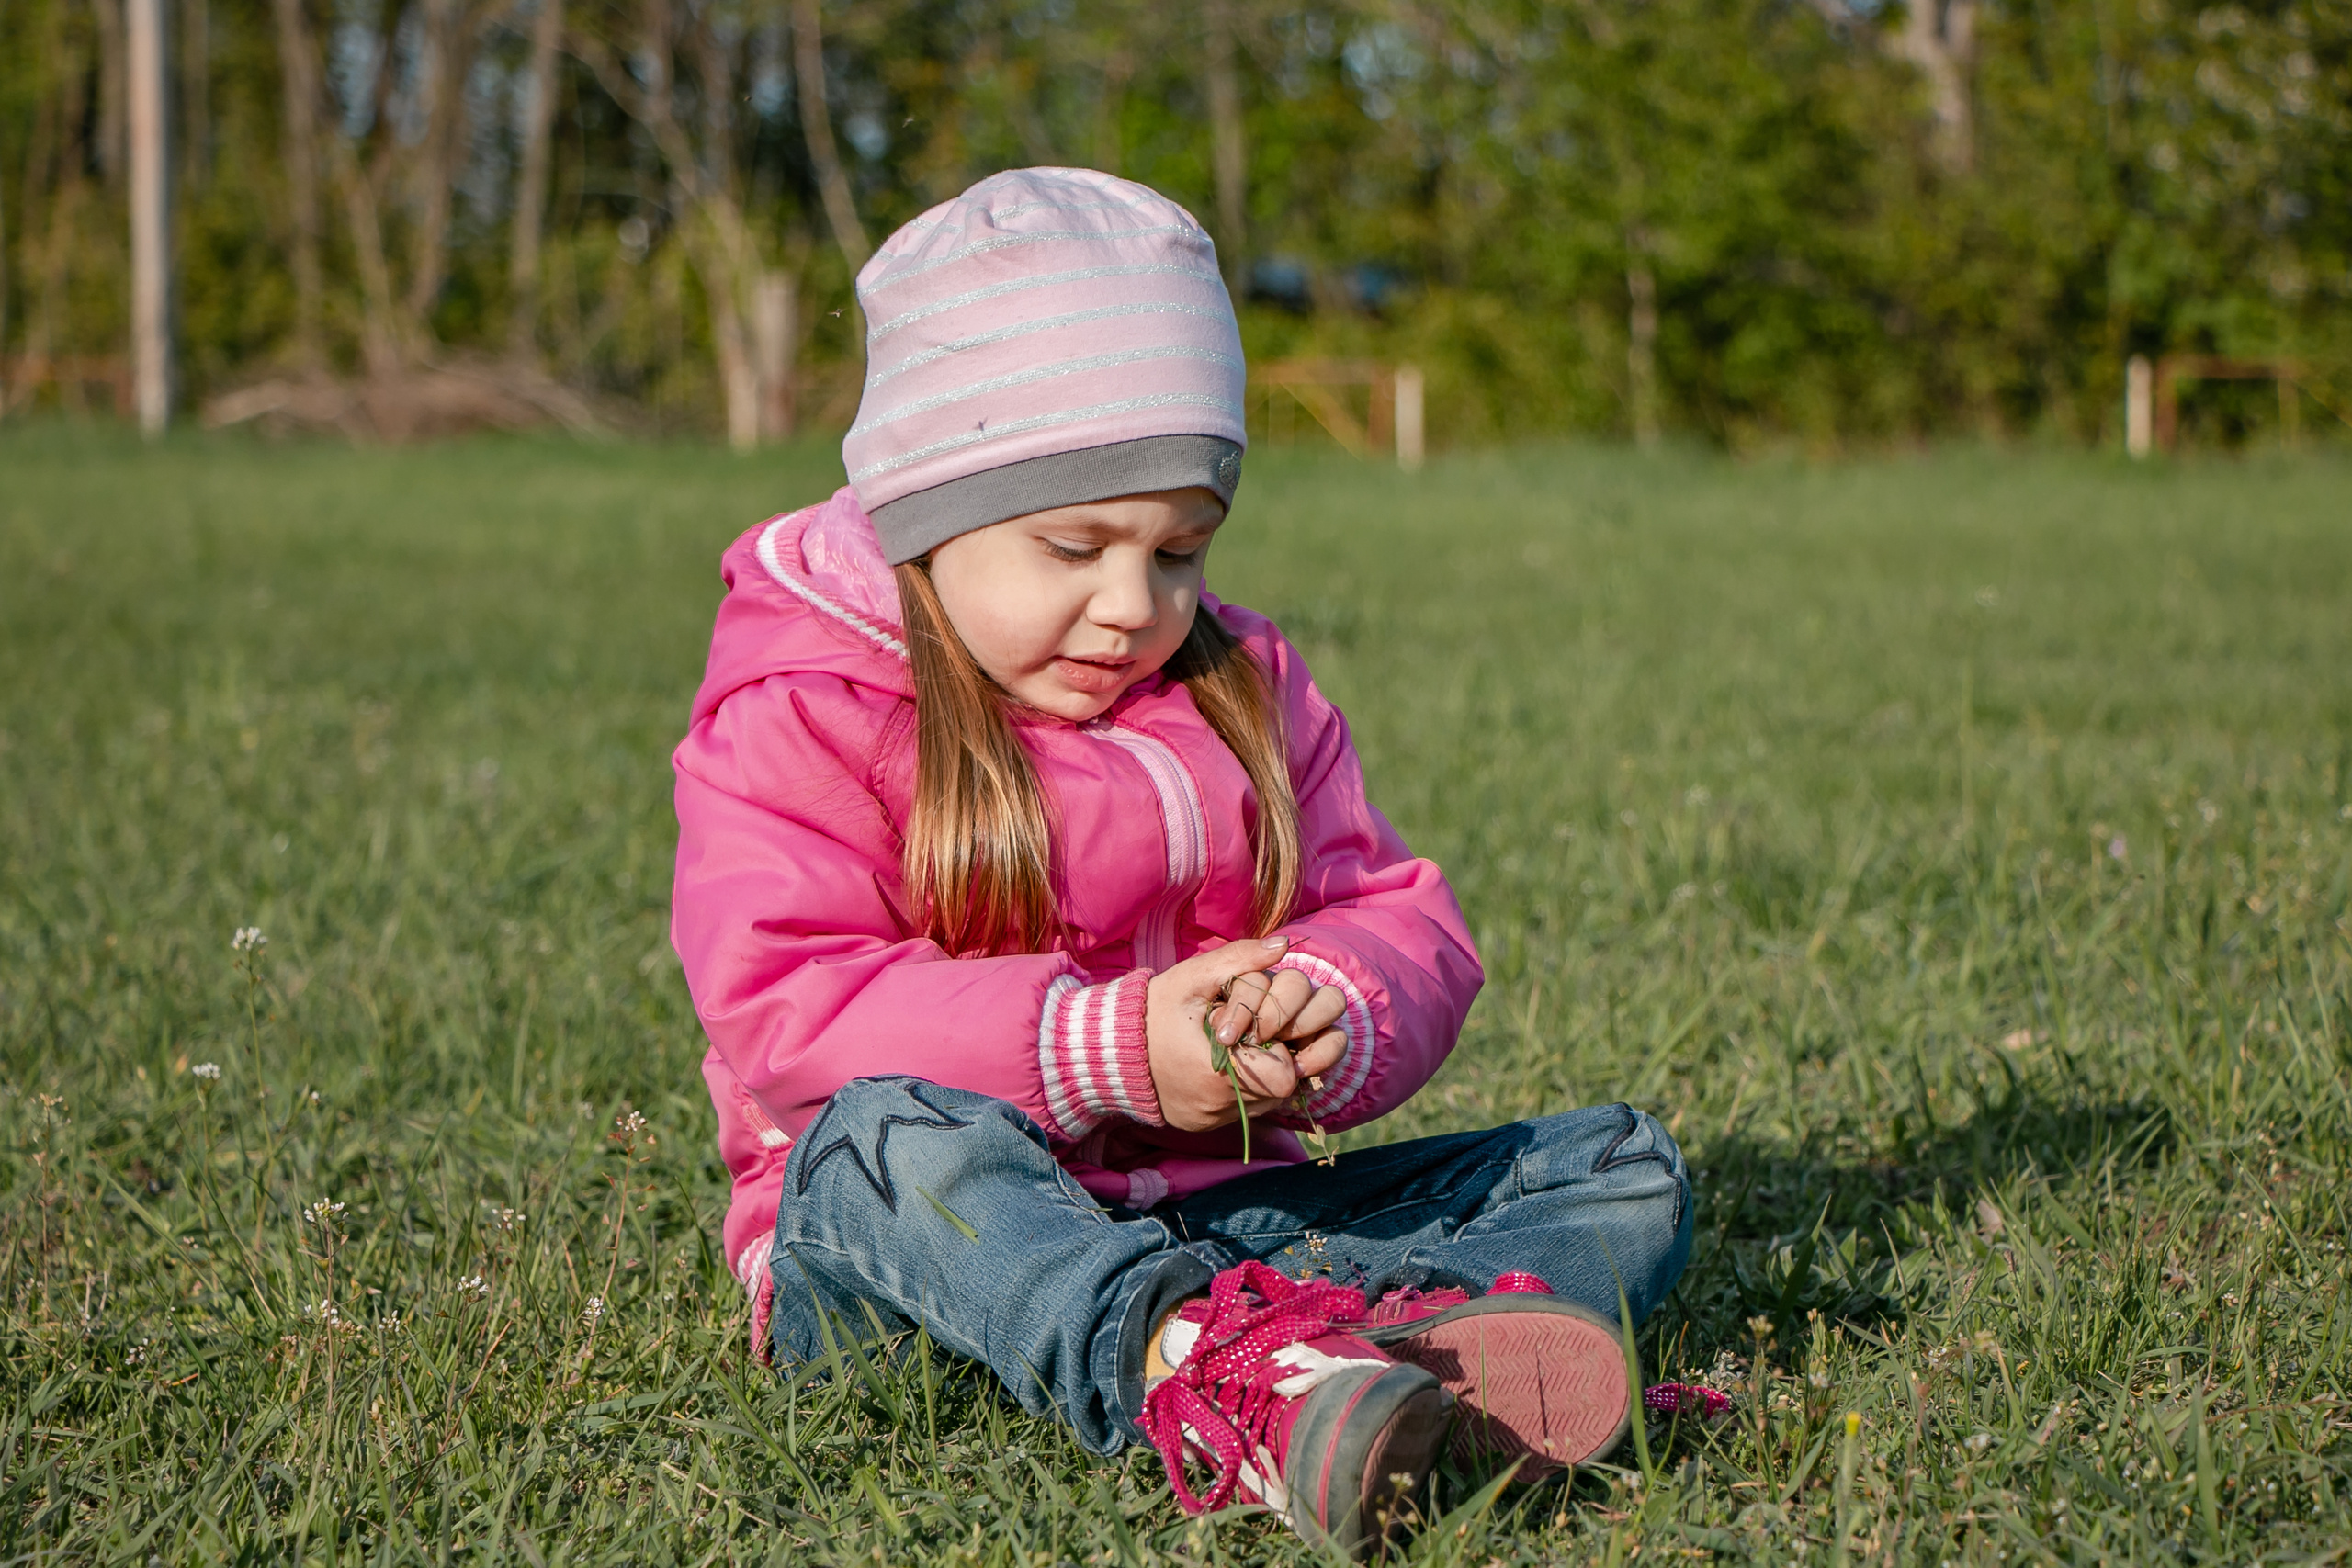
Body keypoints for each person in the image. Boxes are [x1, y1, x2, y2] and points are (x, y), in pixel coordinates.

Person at [671, 166, 1692, 1555]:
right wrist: (1104, 1051)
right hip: (923, 1256)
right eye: (1074, 545)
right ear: (921, 518)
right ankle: (1207, 1364)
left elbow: (1391, 914)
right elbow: (788, 1004)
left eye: (1180, 552)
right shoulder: (808, 705)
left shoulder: (1243, 685)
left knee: (1622, 1166)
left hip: (1221, 1215)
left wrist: (1329, 1007)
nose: (1131, 607)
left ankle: (1326, 1360)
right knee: (869, 1149)